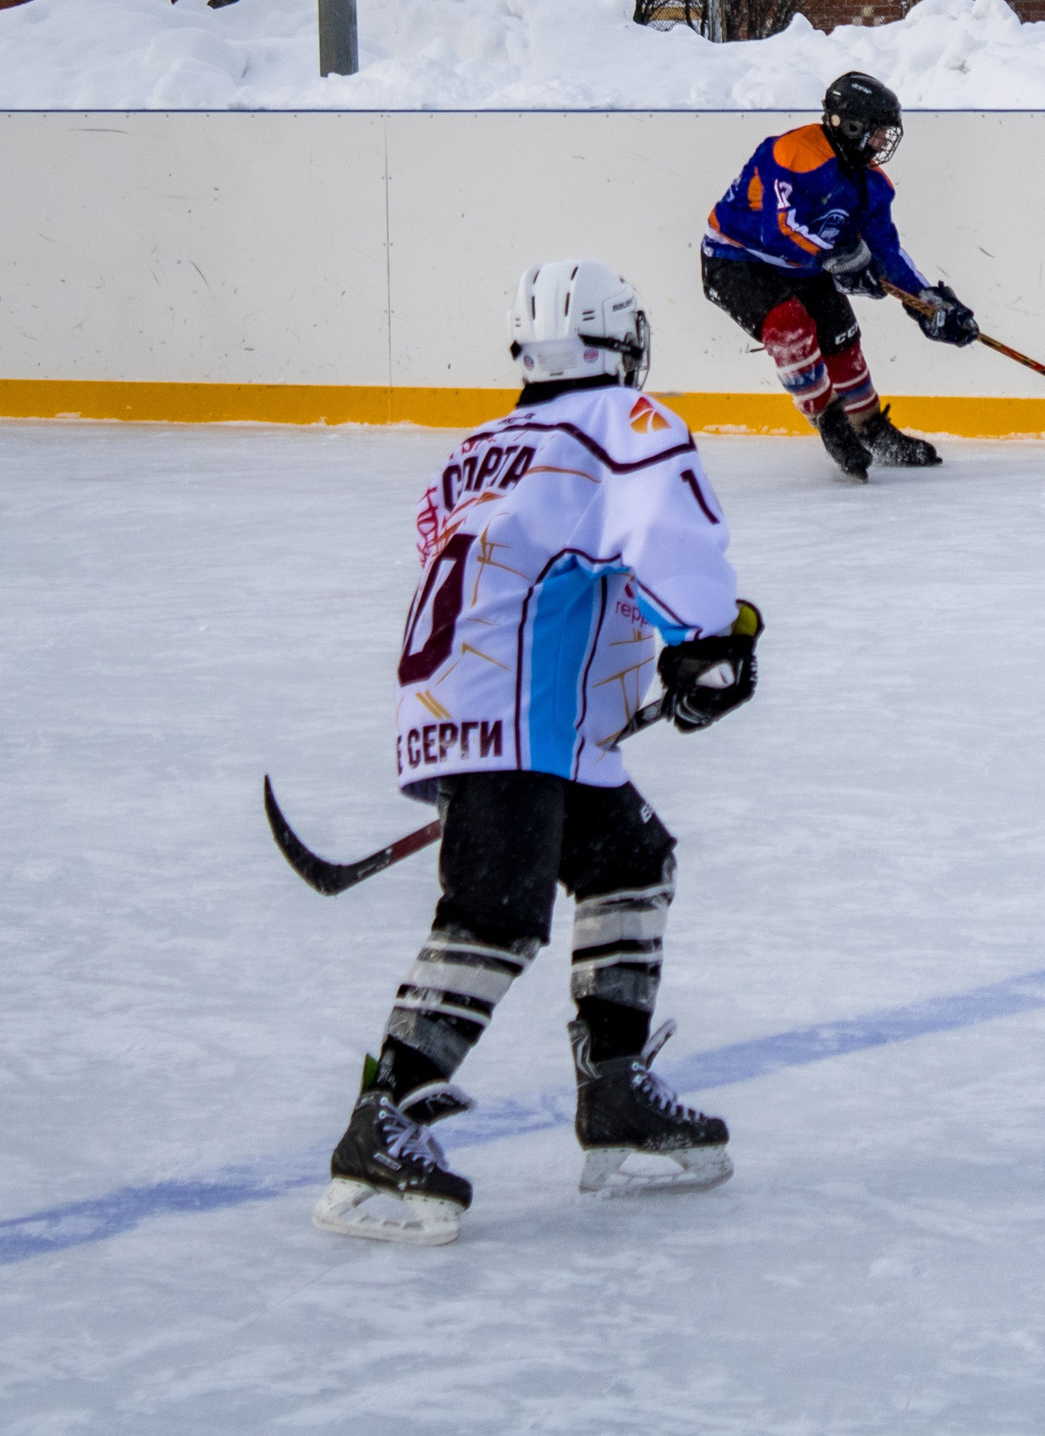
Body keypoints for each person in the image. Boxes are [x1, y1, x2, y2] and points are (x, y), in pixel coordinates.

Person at [313, 256, 764, 1248]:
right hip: (522, 711)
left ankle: (615, 1095)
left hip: (480, 703)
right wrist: (706, 639)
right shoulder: (626, 424)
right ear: (621, 340)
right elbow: (659, 530)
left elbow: (512, 557)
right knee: (496, 911)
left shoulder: (473, 448)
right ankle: (380, 1118)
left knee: (629, 859)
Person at [700, 71, 980, 481]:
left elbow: (886, 250)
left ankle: (869, 428)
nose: (884, 143)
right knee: (789, 323)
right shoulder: (793, 154)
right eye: (879, 132)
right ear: (849, 125)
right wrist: (838, 258)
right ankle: (831, 421)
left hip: (803, 265)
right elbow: (777, 229)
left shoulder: (872, 184)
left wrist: (925, 300)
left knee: (840, 331)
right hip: (735, 258)